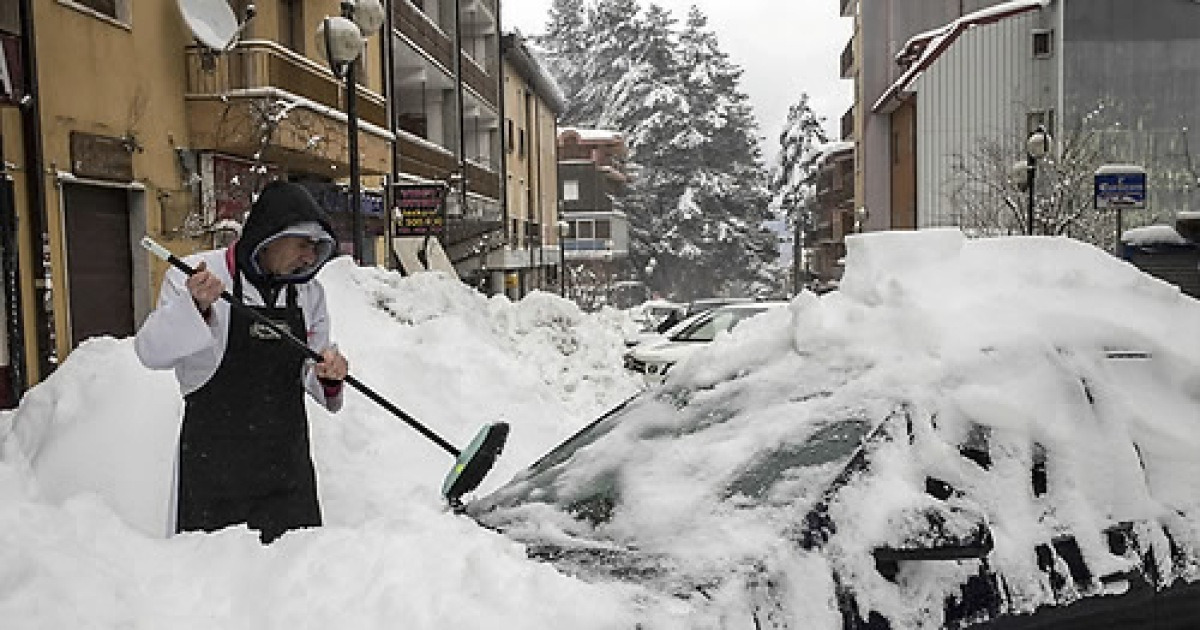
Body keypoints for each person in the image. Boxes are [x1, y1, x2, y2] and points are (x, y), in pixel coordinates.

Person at [135, 181, 349, 544]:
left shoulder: (308, 293)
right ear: (269, 238)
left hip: (287, 472)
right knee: (217, 590)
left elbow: (312, 367)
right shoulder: (196, 276)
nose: (310, 258)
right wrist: (196, 307)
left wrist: (328, 373)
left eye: (317, 249)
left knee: (297, 583)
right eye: (303, 245)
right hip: (213, 473)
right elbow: (151, 352)